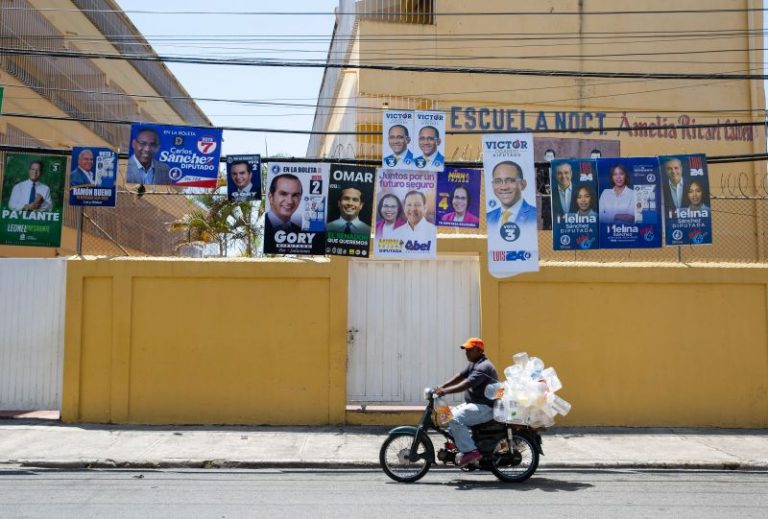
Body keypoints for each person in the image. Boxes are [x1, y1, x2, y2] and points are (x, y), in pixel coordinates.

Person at [435, 337, 498, 467]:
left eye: (469, 350)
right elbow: (460, 376)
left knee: (455, 418)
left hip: (486, 408)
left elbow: (466, 384)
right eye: (466, 350)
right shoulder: (474, 363)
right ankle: (461, 445)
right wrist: (442, 386)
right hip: (476, 405)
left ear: (479, 350)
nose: (466, 353)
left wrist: (445, 391)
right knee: (447, 416)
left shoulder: (483, 367)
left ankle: (470, 452)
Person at [486, 160, 537, 227]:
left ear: (523, 184)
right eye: (498, 181)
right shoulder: (488, 217)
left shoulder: (535, 215)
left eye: (510, 181)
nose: (504, 187)